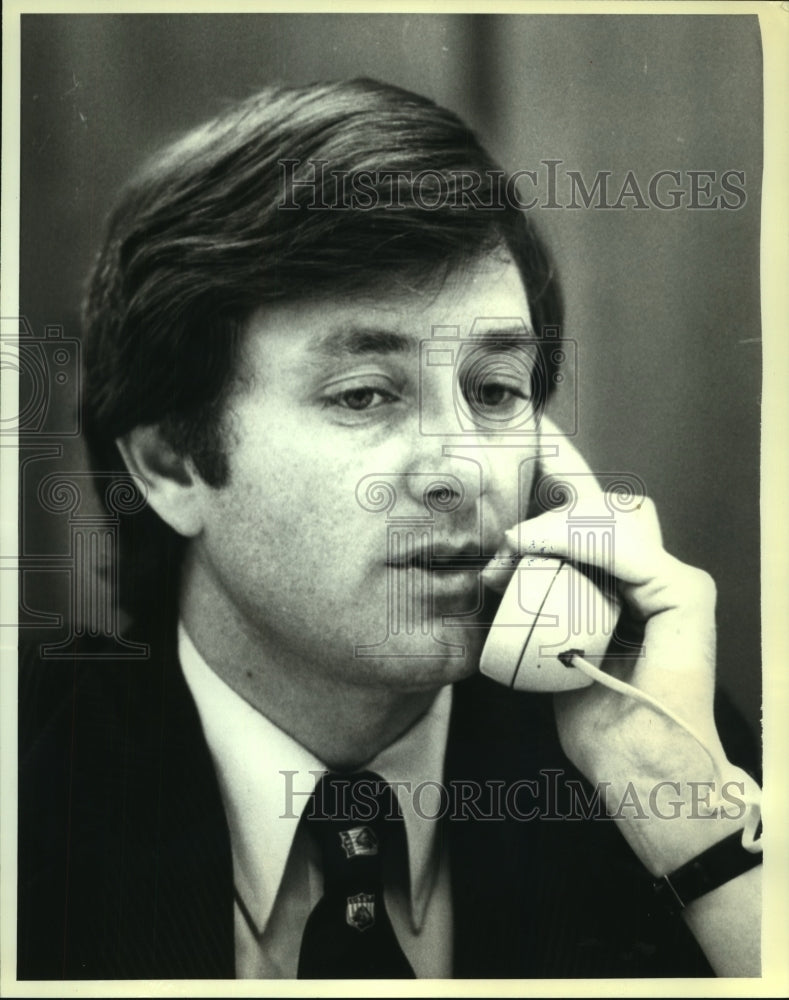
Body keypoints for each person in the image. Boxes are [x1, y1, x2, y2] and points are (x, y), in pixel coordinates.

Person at [17, 78, 762, 980]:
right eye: (364, 395)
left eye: (494, 392)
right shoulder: (29, 789)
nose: (462, 472)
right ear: (171, 464)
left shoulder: (650, 749)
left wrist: (680, 814)